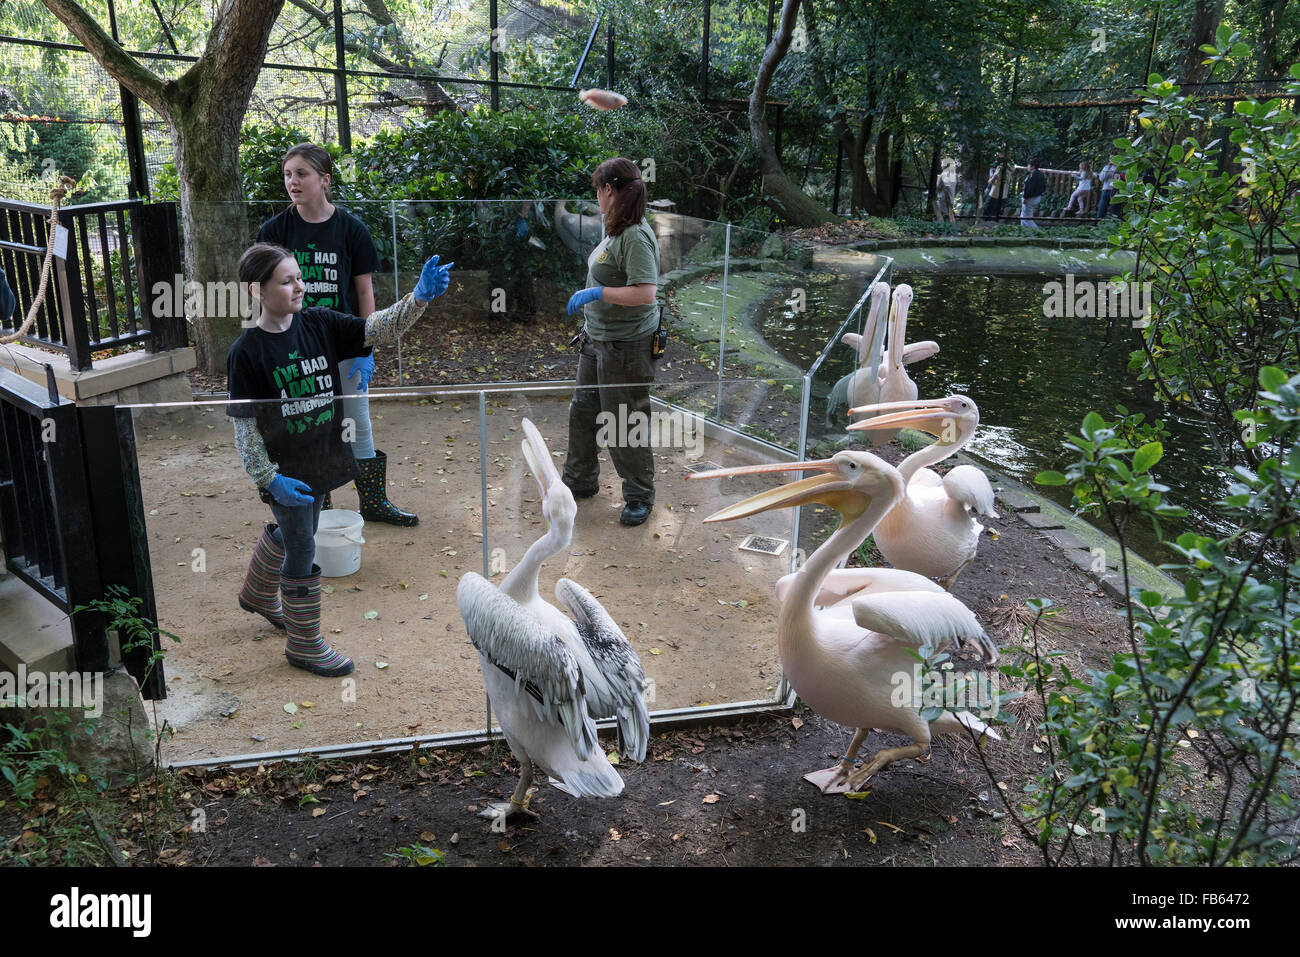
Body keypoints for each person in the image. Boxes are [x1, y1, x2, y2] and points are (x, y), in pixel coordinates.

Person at [227, 244, 452, 676]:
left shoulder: (320, 323)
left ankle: (257, 593)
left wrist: (419, 297)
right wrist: (268, 478)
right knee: (303, 545)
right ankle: (304, 644)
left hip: (321, 458)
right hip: (284, 470)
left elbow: (378, 328)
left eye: (299, 277)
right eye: (287, 280)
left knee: (303, 529)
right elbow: (244, 425)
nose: (299, 286)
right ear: (258, 290)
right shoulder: (246, 351)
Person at [257, 143, 418, 526]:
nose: (292, 182)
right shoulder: (274, 230)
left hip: (344, 343)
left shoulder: (351, 229)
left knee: (357, 422)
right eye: (288, 174)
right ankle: (319, 508)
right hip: (297, 347)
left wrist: (368, 344)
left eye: (301, 174)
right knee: (312, 426)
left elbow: (364, 291)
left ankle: (374, 503)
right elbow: (261, 291)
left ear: (325, 180)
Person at [562, 157, 661, 528]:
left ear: (608, 190)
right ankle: (579, 481)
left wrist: (597, 293)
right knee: (583, 411)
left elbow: (645, 293)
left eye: (597, 190)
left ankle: (639, 495)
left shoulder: (635, 234)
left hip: (626, 344)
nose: (597, 196)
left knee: (623, 421)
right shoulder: (616, 227)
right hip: (597, 338)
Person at [1020, 157, 1046, 229]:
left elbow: (1030, 187)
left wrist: (1025, 197)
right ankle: (1023, 230)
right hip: (1037, 197)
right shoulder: (1040, 174)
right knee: (1024, 215)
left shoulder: (1033, 175)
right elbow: (1044, 187)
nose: (1027, 167)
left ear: (1033, 166)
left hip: (1030, 198)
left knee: (1026, 217)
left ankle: (1036, 231)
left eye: (1028, 165)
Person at [934, 158, 957, 224]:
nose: (941, 165)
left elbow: (937, 187)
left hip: (942, 199)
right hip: (951, 198)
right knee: (949, 215)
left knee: (942, 216)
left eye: (941, 163)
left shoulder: (943, 175)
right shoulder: (954, 174)